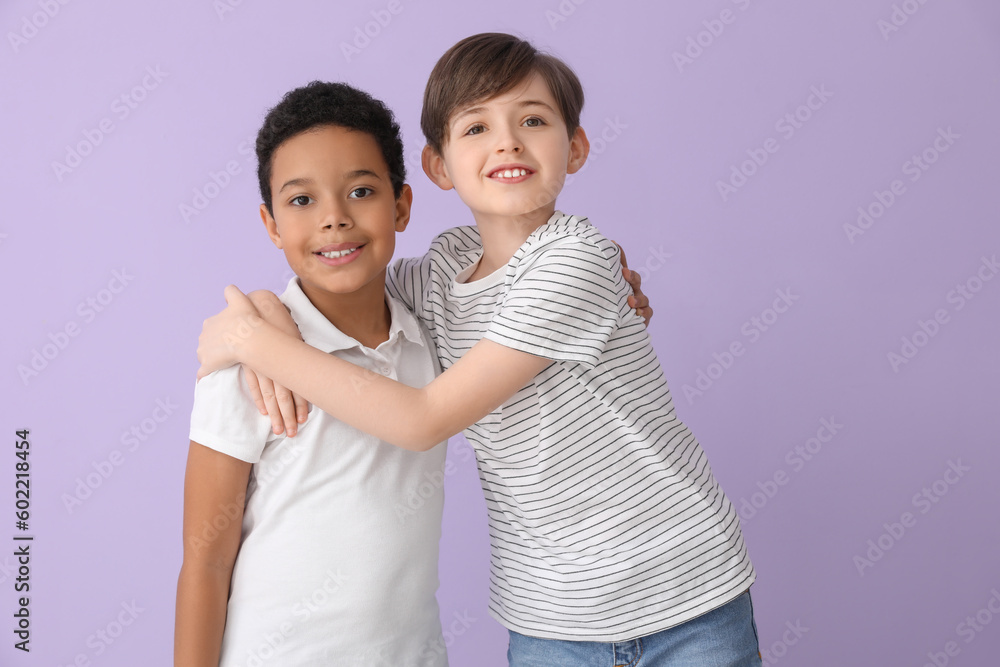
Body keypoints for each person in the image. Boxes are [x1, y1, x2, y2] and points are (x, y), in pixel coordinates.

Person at [196, 33, 759, 666]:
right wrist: (259, 314)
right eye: (476, 128)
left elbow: (423, 420)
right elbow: (337, 286)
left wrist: (250, 341)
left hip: (683, 593)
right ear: (437, 167)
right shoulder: (442, 271)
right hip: (548, 616)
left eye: (533, 120)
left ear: (574, 148)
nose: (508, 142)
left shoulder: (578, 260)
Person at [174, 81, 451, 666]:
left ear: (402, 205)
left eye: (360, 191)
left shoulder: (431, 330)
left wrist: (612, 279)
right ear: (271, 224)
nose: (334, 219)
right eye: (301, 201)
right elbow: (205, 561)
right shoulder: (245, 367)